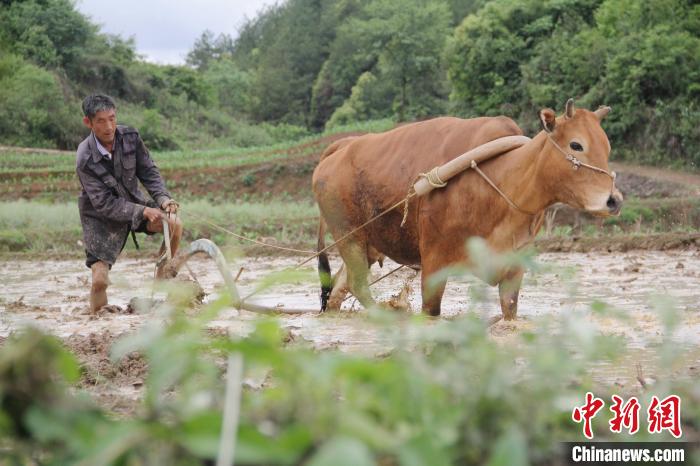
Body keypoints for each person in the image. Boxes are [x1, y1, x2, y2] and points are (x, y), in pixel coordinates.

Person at [76, 94, 183, 313]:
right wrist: (143, 210)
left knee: (174, 223)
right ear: (88, 122)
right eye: (101, 121)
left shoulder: (130, 137)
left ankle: (162, 276)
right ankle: (99, 319)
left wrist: (163, 199)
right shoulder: (84, 158)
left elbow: (149, 172)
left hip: (134, 204)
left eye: (112, 118)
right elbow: (105, 204)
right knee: (99, 281)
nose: (109, 126)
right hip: (99, 218)